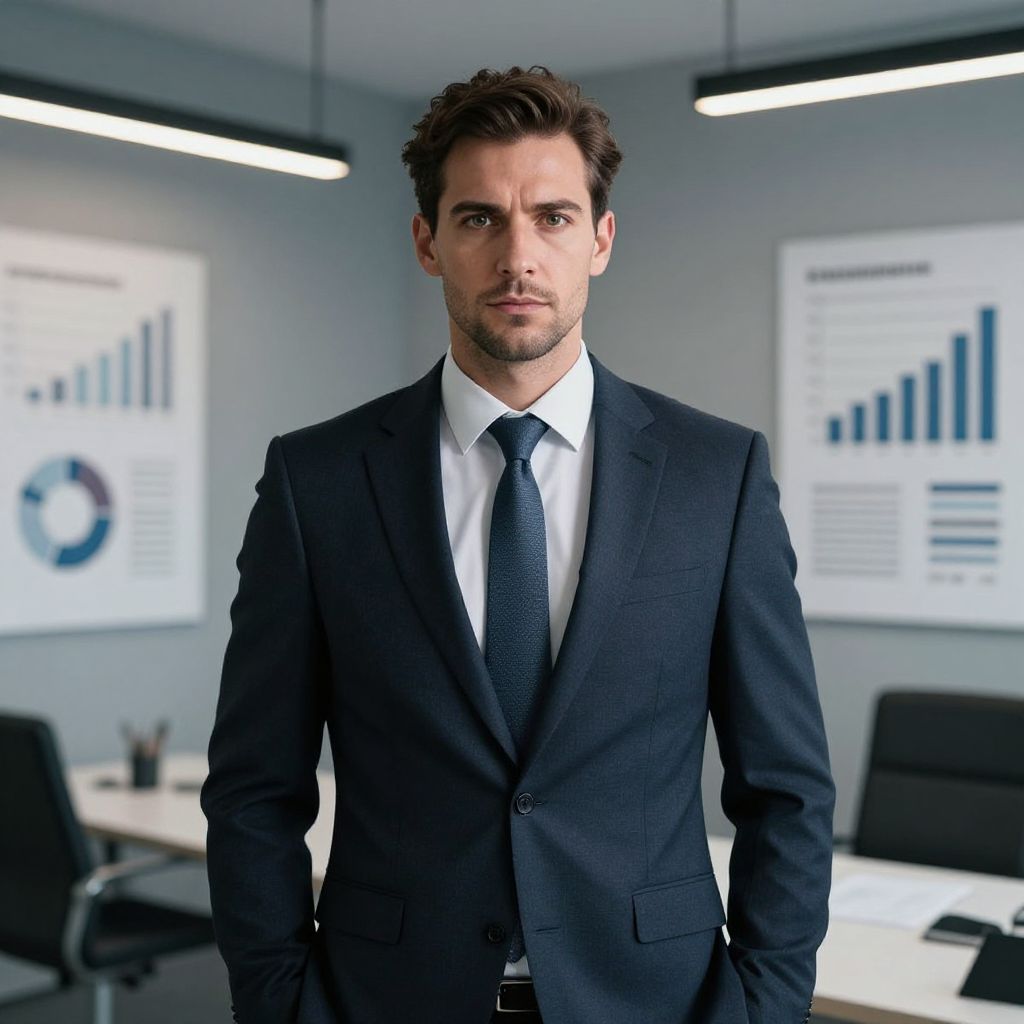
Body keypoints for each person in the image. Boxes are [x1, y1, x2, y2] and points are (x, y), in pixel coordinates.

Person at [200, 65, 835, 1024]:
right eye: (479, 219)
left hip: (654, 1000)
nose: (518, 257)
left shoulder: (718, 476)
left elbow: (785, 789)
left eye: (553, 217)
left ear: (602, 240)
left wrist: (764, 1006)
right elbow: (254, 789)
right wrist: (280, 1002)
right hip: (385, 999)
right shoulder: (317, 482)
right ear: (427, 242)